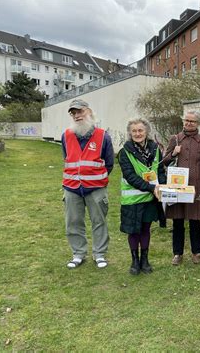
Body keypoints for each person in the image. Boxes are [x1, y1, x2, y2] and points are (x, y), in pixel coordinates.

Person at [62, 99, 114, 269]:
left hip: (96, 188)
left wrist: (97, 178)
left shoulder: (102, 135)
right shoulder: (66, 135)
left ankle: (99, 253)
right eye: (73, 113)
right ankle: (78, 253)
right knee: (73, 221)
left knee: (99, 221)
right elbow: (67, 158)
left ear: (89, 112)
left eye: (80, 111)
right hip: (72, 187)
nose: (77, 116)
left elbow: (109, 163)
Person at [118, 117, 166, 275]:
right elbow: (130, 176)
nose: (137, 133)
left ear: (146, 132)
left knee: (146, 229)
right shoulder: (124, 152)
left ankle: (145, 260)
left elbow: (159, 171)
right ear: (130, 133)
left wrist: (165, 187)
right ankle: (134, 261)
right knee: (134, 231)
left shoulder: (155, 148)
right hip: (132, 200)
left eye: (140, 130)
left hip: (150, 199)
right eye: (134, 131)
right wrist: (152, 188)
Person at [162, 111, 200, 265]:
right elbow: (165, 162)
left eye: (192, 121)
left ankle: (196, 252)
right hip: (177, 185)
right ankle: (177, 253)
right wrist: (174, 153)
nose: (189, 123)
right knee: (178, 220)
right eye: (187, 120)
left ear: (198, 124)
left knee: (195, 220)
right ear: (183, 121)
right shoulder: (174, 139)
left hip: (195, 186)